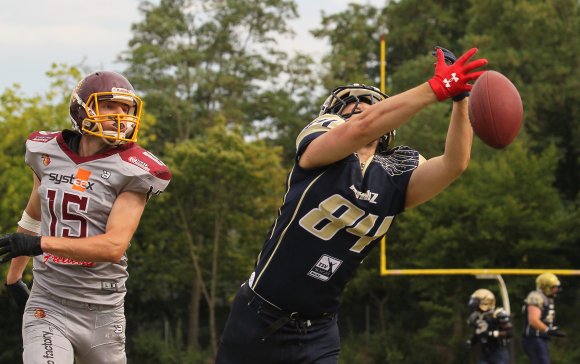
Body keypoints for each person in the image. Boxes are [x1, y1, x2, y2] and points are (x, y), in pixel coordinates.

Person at [215, 46, 488, 363]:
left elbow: (455, 163)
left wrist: (460, 99)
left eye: (369, 105)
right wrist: (435, 88)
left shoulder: (396, 170)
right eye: (353, 104)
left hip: (319, 329)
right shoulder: (321, 144)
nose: (360, 109)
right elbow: (360, 129)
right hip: (258, 316)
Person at [0, 71, 171, 364]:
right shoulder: (45, 151)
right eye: (109, 106)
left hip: (102, 311)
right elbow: (33, 214)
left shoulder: (134, 169)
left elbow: (112, 247)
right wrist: (14, 278)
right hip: (48, 303)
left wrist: (40, 245)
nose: (121, 115)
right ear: (81, 109)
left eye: (126, 108)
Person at [521, 273, 566, 364]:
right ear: (546, 287)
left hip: (540, 338)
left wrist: (552, 330)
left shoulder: (547, 298)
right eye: (554, 287)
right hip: (534, 338)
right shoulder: (536, 297)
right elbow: (533, 320)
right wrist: (548, 330)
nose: (556, 290)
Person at [466, 289, 513, 364]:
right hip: (485, 353)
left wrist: (492, 334)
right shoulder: (476, 316)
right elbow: (478, 332)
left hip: (498, 352)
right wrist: (472, 341)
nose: (474, 303)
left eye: (477, 300)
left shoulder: (496, 315)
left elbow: (510, 333)